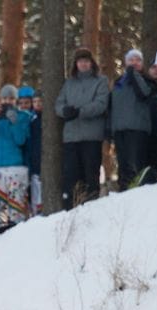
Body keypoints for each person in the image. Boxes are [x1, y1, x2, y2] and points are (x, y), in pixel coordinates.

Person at [56, 47, 109, 208]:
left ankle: (92, 207)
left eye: (86, 61)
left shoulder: (101, 81)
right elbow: (58, 103)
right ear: (76, 64)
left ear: (91, 63)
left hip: (91, 136)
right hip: (71, 137)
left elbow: (101, 104)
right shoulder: (69, 83)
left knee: (91, 175)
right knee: (71, 176)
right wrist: (64, 111)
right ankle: (70, 208)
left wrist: (80, 111)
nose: (83, 64)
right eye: (80, 61)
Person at [0, 85, 31, 229]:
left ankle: (17, 233)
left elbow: (20, 140)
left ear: (16, 100)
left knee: (16, 207)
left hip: (15, 167)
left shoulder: (22, 116)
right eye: (4, 98)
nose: (7, 101)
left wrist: (14, 122)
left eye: (11, 98)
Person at [111, 49, 154, 188]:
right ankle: (124, 189)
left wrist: (133, 75)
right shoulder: (119, 82)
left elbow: (143, 93)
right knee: (123, 164)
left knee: (135, 164)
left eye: (138, 60)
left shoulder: (147, 80)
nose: (134, 63)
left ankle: (138, 189)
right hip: (119, 128)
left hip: (137, 127)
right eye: (131, 60)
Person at [18, 88, 43, 215]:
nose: (24, 106)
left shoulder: (34, 118)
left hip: (33, 159)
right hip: (21, 159)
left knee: (35, 190)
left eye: (27, 103)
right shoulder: (20, 118)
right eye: (21, 103)